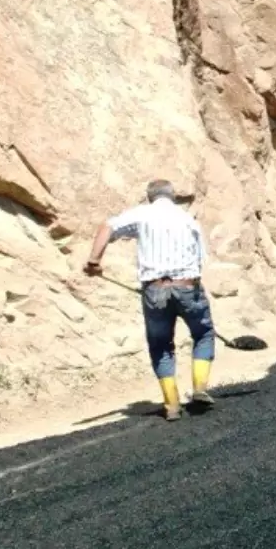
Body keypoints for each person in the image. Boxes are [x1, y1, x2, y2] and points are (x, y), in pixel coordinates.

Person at [83, 179, 215, 422]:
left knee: (161, 345)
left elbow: (108, 226)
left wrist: (94, 261)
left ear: (149, 196)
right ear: (173, 196)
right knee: (203, 333)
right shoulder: (188, 219)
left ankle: (172, 404)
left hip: (155, 290)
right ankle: (199, 388)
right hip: (188, 286)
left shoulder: (142, 214)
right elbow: (200, 260)